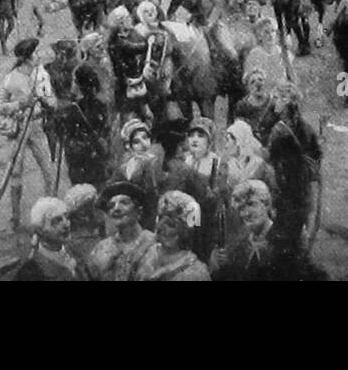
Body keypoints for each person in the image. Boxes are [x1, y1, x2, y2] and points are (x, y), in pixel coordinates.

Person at [210, 180, 327, 281]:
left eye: (251, 204)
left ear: (266, 204)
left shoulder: (286, 239)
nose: (246, 213)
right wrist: (218, 264)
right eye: (241, 208)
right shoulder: (241, 245)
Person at [0, 38, 59, 230]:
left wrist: (47, 101)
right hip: (18, 129)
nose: (39, 56)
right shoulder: (10, 79)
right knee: (16, 172)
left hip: (38, 126)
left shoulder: (42, 74)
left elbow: (52, 100)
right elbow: (0, 108)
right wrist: (20, 104)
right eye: (35, 53)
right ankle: (16, 216)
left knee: (48, 171)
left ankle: (51, 212)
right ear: (26, 57)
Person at [263, 80, 323, 259]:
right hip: (282, 179)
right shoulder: (273, 120)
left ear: (288, 101)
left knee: (294, 222)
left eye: (278, 98)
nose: (274, 102)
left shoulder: (301, 128)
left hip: (295, 182)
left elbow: (316, 154)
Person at [133, 191, 211, 281]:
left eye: (170, 225)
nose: (160, 227)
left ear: (184, 231)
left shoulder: (196, 272)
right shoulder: (146, 254)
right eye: (160, 219)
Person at [86, 181, 156, 281]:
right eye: (111, 206)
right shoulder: (102, 248)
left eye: (124, 203)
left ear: (139, 211)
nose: (116, 209)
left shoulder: (153, 244)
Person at [182, 118, 227, 261]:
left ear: (210, 141)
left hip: (208, 217)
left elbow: (220, 197)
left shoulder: (216, 163)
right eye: (191, 135)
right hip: (189, 212)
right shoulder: (185, 161)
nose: (195, 140)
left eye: (201, 136)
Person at [110, 118, 165, 229]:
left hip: (149, 216)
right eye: (136, 142)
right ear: (128, 145)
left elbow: (155, 193)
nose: (143, 144)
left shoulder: (153, 162)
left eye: (145, 138)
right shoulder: (124, 167)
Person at [15, 198, 86, 281]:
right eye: (57, 221)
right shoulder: (32, 270)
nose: (66, 224)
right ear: (40, 230)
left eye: (66, 217)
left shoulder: (74, 253)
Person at [244, 17, 292, 92]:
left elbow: (291, 78)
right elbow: (249, 82)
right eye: (266, 32)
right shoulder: (254, 55)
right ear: (259, 36)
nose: (271, 35)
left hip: (282, 93)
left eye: (273, 31)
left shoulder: (283, 53)